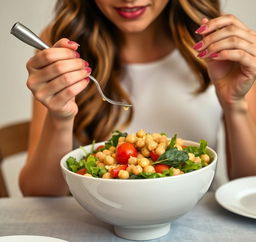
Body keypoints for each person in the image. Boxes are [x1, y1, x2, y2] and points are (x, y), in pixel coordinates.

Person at [19, 0, 256, 196]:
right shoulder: (60, 41)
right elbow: (38, 193)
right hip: (98, 219)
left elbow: (249, 187)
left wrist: (234, 104)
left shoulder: (223, 40)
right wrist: (60, 117)